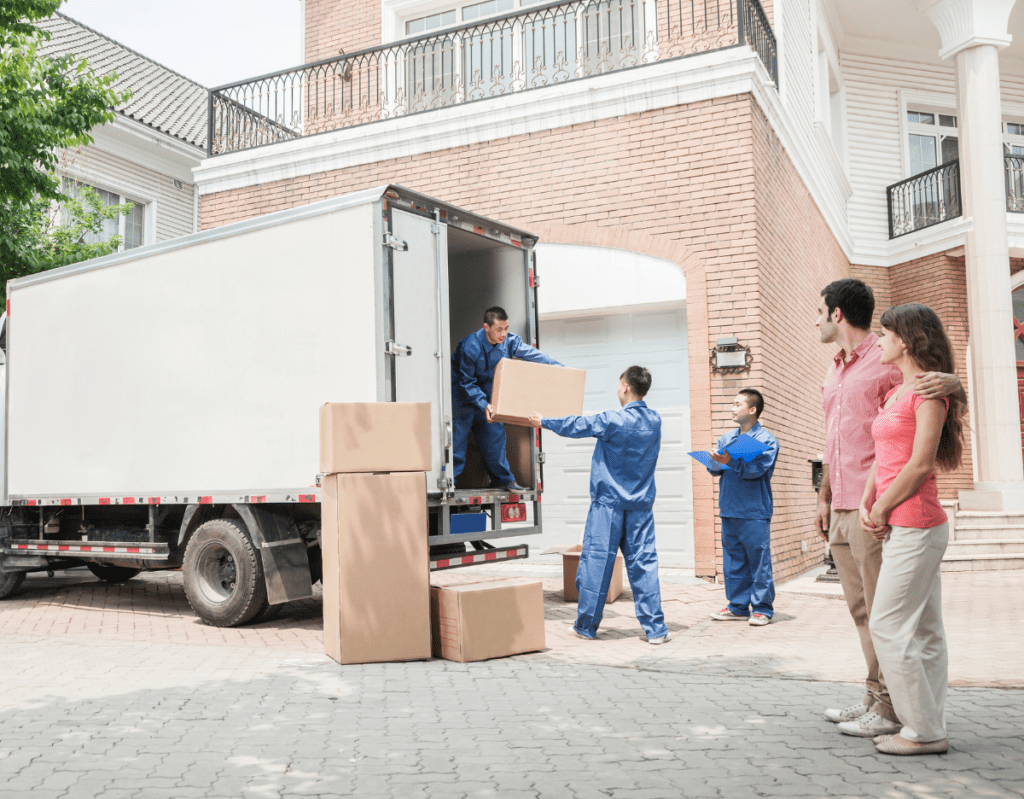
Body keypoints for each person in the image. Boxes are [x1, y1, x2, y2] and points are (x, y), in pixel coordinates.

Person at [815, 278, 961, 739]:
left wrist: (957, 384)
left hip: (884, 507)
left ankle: (893, 708)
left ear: (837, 313)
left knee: (886, 615)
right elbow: (836, 438)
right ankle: (874, 698)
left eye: (820, 311)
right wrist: (823, 495)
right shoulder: (835, 370)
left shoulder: (886, 365)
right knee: (863, 611)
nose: (816, 320)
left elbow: (927, 397)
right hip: (844, 502)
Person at [853, 303, 964, 756]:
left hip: (918, 523)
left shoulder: (929, 392)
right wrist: (868, 496)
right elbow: (885, 455)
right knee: (925, 631)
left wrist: (881, 506)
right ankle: (929, 722)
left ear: (905, 339)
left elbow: (919, 465)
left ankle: (921, 731)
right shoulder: (896, 392)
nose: (877, 342)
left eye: (883, 335)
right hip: (900, 520)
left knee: (888, 624)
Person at [527, 366, 670, 644]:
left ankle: (586, 626)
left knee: (597, 564)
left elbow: (577, 426)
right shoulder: (655, 420)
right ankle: (656, 630)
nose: (618, 389)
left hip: (609, 506)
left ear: (626, 387)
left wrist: (544, 421)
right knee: (644, 565)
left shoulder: (612, 420)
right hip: (640, 507)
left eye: (619, 384)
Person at [452, 306, 561, 492]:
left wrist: (559, 367)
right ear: (486, 327)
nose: (503, 333)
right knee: (458, 437)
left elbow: (533, 354)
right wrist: (484, 404)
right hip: (463, 393)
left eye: (506, 328)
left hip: (486, 391)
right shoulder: (471, 346)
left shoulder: (510, 341)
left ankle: (503, 480)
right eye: (499, 329)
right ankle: (451, 481)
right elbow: (467, 382)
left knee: (495, 434)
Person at [707, 389, 779, 626]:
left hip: (754, 512)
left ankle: (762, 608)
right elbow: (715, 470)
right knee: (733, 562)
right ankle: (738, 607)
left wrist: (731, 461)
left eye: (737, 404)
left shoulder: (766, 440)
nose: (732, 408)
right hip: (729, 510)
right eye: (732, 403)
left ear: (752, 409)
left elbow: (757, 471)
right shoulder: (727, 439)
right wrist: (714, 461)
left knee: (758, 562)